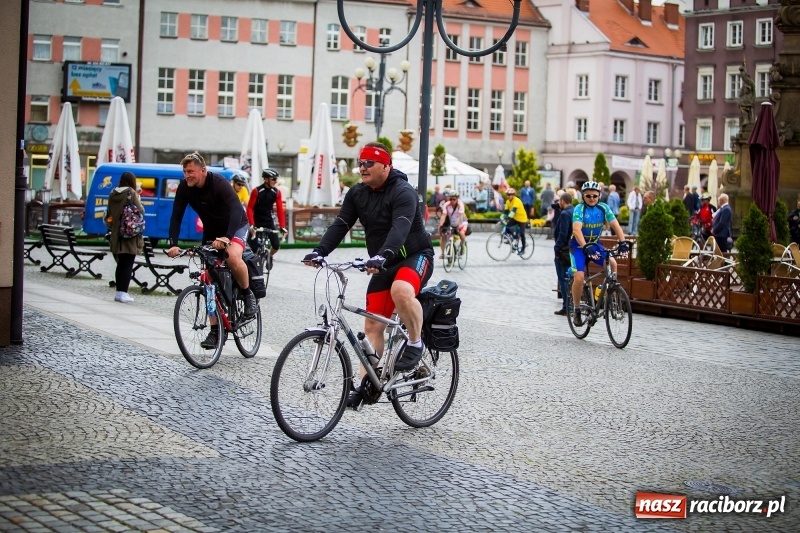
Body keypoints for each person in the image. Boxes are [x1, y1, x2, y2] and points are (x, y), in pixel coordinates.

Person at [301, 142, 434, 409]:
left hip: (415, 256)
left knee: (401, 291)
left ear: (386, 166)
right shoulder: (357, 194)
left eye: (369, 163)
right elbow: (341, 224)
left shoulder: (404, 192)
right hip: (383, 262)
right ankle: (367, 386)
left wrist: (383, 255)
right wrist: (319, 251)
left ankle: (416, 342)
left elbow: (401, 227)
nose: (362, 168)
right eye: (360, 163)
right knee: (372, 326)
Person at [166, 152, 258, 349]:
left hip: (236, 226)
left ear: (203, 170)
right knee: (207, 278)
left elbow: (235, 208)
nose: (187, 175)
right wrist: (173, 243)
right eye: (185, 172)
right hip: (212, 231)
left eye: (191, 171)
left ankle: (247, 294)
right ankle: (216, 330)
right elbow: (176, 215)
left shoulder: (218, 183)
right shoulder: (185, 187)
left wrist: (227, 237)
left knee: (232, 257)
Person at [570, 181, 627, 326]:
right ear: (583, 196)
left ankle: (604, 292)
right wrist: (584, 246)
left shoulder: (603, 208)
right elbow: (576, 230)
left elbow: (616, 225)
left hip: (594, 245)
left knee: (613, 264)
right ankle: (576, 310)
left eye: (595, 196)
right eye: (588, 196)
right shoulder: (579, 209)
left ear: (599, 196)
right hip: (578, 246)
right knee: (579, 277)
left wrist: (623, 243)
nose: (592, 198)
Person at [107, 171, 144, 304]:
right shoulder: (131, 193)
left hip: (117, 232)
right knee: (128, 263)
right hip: (129, 233)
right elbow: (141, 210)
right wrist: (138, 197)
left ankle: (118, 292)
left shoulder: (112, 193)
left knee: (120, 263)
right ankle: (124, 293)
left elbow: (109, 213)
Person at [247, 168, 287, 258]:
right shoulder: (256, 191)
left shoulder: (277, 192)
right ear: (265, 179)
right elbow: (249, 208)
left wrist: (282, 226)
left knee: (276, 245)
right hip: (257, 220)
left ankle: (269, 256)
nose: (275, 181)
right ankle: (254, 264)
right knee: (253, 248)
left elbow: (280, 210)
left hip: (269, 221)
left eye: (276, 179)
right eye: (273, 179)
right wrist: (252, 225)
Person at [553, 192, 574, 315]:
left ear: (562, 201)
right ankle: (569, 305)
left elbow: (563, 233)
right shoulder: (574, 211)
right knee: (569, 278)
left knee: (563, 278)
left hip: (563, 251)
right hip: (571, 249)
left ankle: (567, 306)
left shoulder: (565, 214)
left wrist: (557, 248)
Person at [438, 190, 468, 259]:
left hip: (462, 222)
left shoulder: (460, 204)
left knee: (461, 233)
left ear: (457, 199)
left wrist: (459, 225)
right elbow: (443, 215)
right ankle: (443, 253)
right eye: (450, 199)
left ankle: (462, 245)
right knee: (443, 235)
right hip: (452, 222)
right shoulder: (446, 205)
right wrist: (441, 225)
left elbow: (461, 217)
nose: (452, 201)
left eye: (454, 199)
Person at [502, 187, 529, 256]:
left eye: (509, 194)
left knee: (522, 233)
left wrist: (508, 218)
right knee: (507, 226)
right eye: (507, 194)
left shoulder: (517, 200)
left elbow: (513, 211)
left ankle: (523, 249)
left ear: (513, 195)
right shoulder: (507, 201)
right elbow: (505, 211)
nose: (508, 196)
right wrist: (502, 217)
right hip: (515, 218)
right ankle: (514, 238)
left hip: (522, 219)